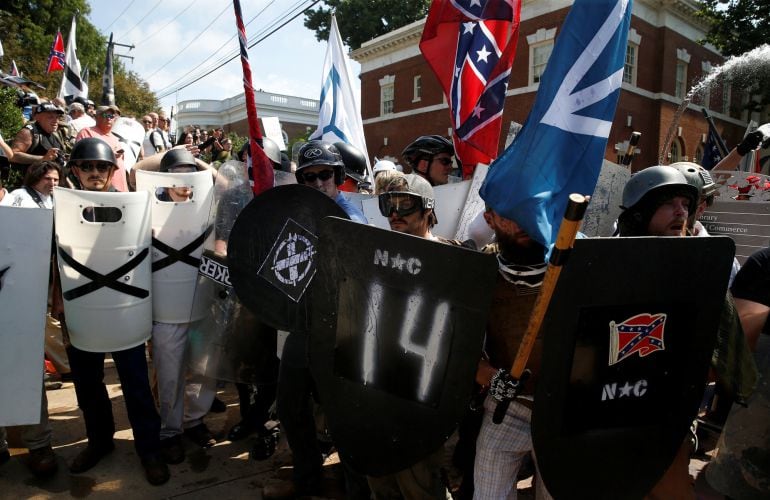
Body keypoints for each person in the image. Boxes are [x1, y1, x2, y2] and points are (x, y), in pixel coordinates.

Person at [617, 165, 756, 499]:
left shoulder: (702, 270)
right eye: (669, 203)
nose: (682, 211)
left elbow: (724, 359)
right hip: (611, 414)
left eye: (686, 203)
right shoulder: (611, 265)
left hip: (667, 417)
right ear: (640, 214)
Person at [53, 137, 169, 485]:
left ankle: (149, 449)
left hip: (122, 307)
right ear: (74, 170)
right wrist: (58, 298)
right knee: (89, 386)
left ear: (111, 170)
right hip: (82, 306)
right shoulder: (61, 208)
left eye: (101, 166)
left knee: (135, 384)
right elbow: (53, 256)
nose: (93, 172)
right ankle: (100, 442)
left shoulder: (132, 205)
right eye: (85, 166)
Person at [365, 173, 459, 499]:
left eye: (405, 205)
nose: (394, 213)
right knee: (381, 481)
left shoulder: (453, 260)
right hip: (379, 391)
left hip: (423, 399)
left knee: (419, 484)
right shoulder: (377, 257)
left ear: (427, 209)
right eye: (387, 205)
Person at [469, 204, 551, 500]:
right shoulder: (479, 271)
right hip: (507, 408)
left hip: (563, 412)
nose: (522, 221)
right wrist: (489, 377)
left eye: (528, 206)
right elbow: (461, 345)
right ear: (490, 218)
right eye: (509, 213)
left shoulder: (577, 262)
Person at [148, 149, 219, 464]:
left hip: (201, 301)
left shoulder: (206, 207)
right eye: (177, 174)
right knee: (169, 374)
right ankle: (170, 430)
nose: (184, 181)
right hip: (166, 307)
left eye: (189, 175)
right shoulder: (149, 209)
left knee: (203, 371)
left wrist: (197, 163)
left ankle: (195, 421)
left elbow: (224, 180)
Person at [0, 162, 62, 478]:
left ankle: (39, 443)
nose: (52, 182)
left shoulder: (12, 203)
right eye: (46, 177)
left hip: (20, 297)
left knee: (26, 367)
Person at [294, 140, 367, 223]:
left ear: (337, 176)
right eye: (310, 177)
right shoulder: (301, 212)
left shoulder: (350, 219)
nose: (318, 184)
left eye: (325, 175)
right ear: (303, 181)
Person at [75, 104, 128, 192]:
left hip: (120, 187)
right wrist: (109, 155)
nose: (109, 118)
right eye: (105, 115)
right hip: (99, 187)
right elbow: (81, 158)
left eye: (112, 116)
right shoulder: (87, 132)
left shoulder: (115, 138)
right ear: (96, 117)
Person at [10, 102, 65, 179]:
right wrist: (43, 159)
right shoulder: (28, 132)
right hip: (30, 184)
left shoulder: (56, 134)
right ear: (37, 117)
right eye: (50, 117)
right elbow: (13, 155)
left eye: (57, 117)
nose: (55, 120)